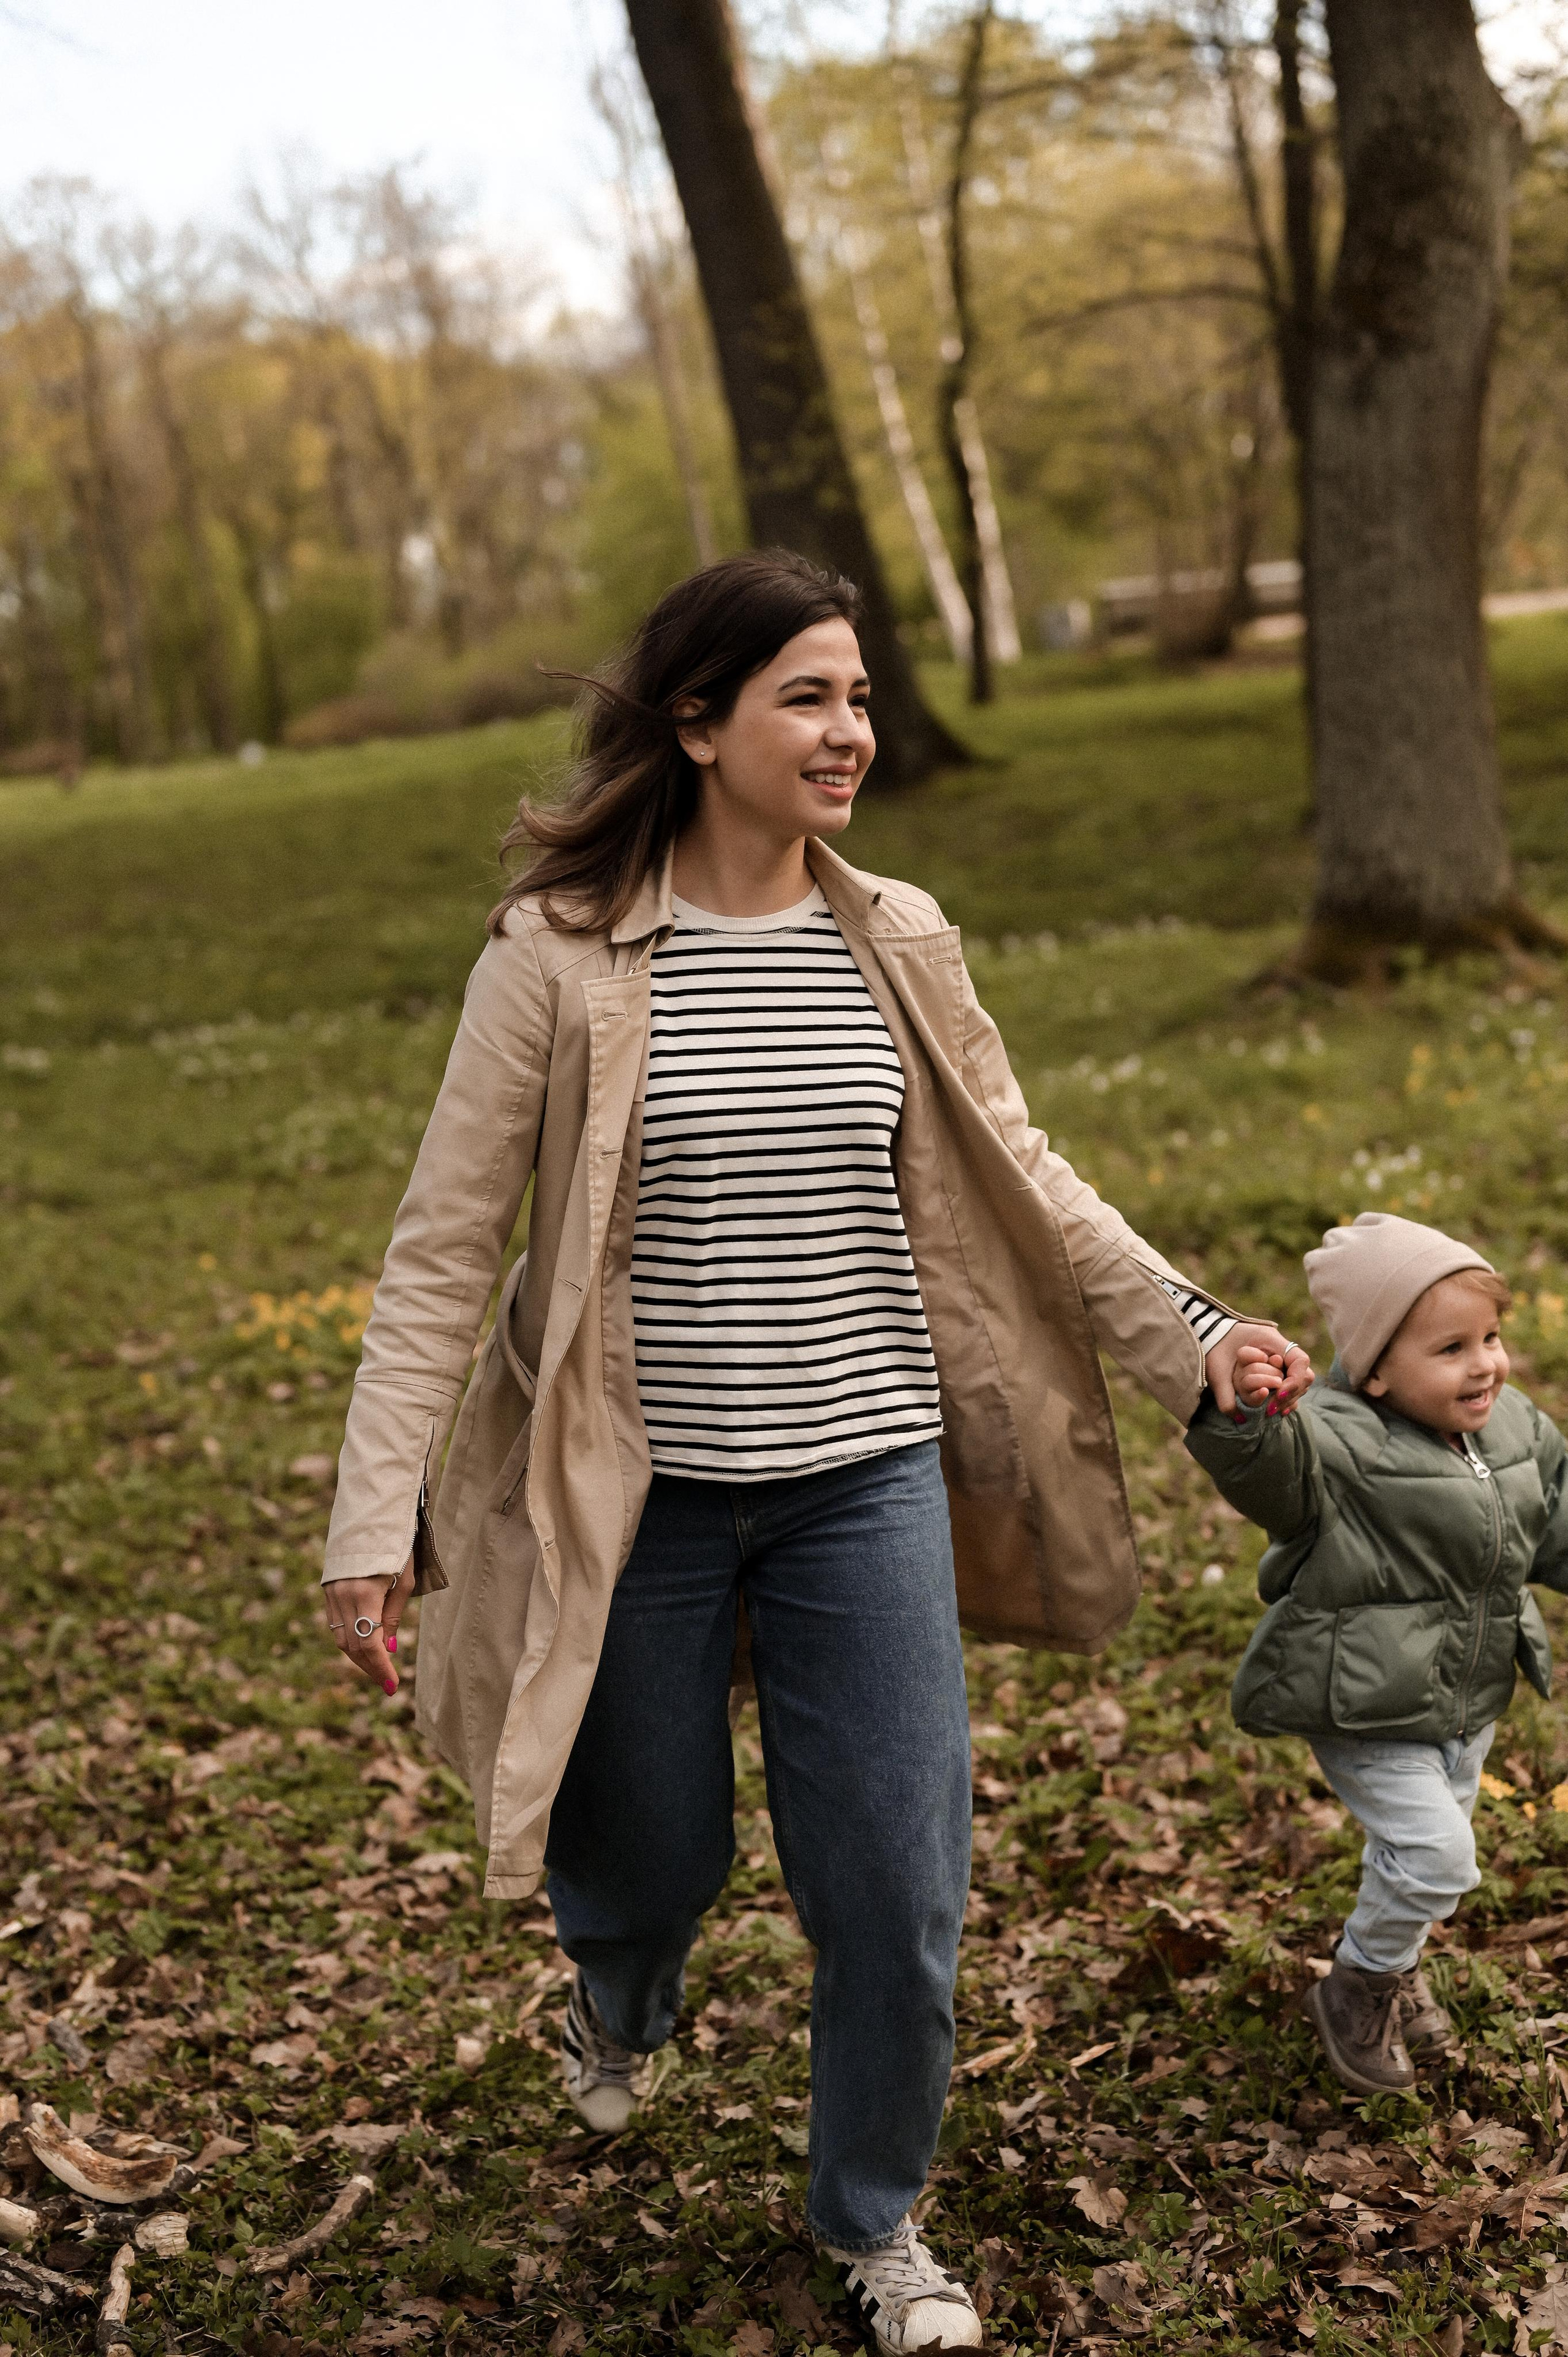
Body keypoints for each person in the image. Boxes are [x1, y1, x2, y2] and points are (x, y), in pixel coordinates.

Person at [318, 549, 1310, 2353]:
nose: (850, 731)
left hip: (865, 1485)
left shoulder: (896, 935)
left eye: (856, 697)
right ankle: (621, 1994)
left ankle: (874, 2219)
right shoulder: (558, 961)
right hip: (642, 1499)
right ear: (699, 724)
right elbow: (446, 1251)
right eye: (808, 697)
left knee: (899, 1886)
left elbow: (1028, 1170)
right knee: (645, 1856)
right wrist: (370, 1520)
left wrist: (1197, 1327)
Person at [1187, 1210, 1568, 2097]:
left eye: (1490, 1337)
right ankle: (1359, 1984)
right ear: (1377, 1369)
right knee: (1439, 1860)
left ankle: (1394, 1967)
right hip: (1364, 1704)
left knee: (1413, 1859)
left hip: (1465, 1702)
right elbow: (1266, 1472)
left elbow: (1556, 1523)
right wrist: (1249, 1417)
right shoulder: (1331, 1441)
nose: (1485, 1364)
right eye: (1451, 1349)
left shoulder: (1515, 1431)